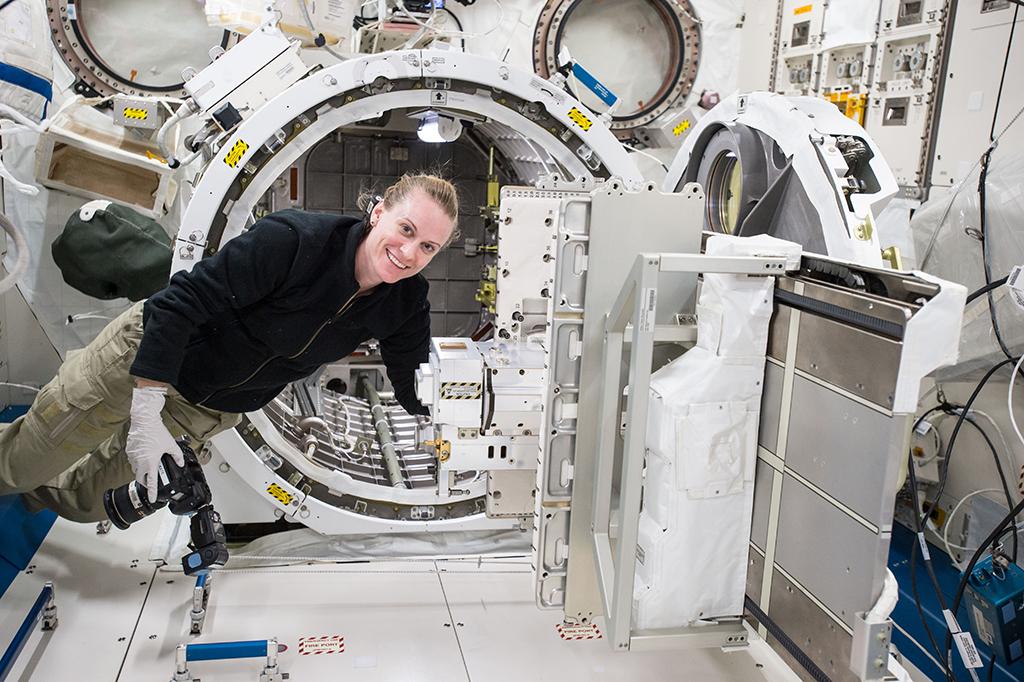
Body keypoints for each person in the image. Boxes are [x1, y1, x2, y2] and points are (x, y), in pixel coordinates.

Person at [0, 173, 458, 520]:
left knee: (90, 501)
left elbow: (411, 381)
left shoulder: (406, 301)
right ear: (378, 213)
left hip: (204, 407)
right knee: (23, 463)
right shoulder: (296, 241)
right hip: (149, 358)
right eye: (406, 229)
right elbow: (180, 303)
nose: (409, 252)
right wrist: (146, 409)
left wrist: (455, 419)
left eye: (428, 247)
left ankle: (24, 496)